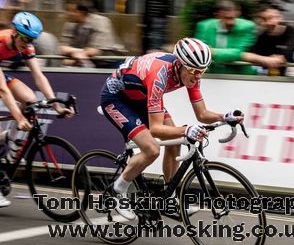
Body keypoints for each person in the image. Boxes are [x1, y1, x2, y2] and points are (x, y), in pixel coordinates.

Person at [100, 37, 244, 221]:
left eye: (202, 71)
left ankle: (169, 198)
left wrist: (225, 116)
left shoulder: (192, 72)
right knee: (151, 149)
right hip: (116, 98)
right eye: (193, 71)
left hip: (141, 95)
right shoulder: (159, 75)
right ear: (180, 65)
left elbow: (202, 114)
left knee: (174, 145)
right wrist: (186, 130)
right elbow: (156, 129)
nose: (198, 76)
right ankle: (117, 190)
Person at [0, 12, 74, 207]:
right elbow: (2, 89)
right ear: (14, 32)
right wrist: (19, 117)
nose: (28, 43)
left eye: (32, 40)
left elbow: (39, 76)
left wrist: (56, 105)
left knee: (30, 98)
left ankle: (12, 139)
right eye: (26, 38)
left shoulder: (25, 45)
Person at [194, 0, 257, 75]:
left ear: (237, 13)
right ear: (218, 15)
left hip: (239, 75)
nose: (230, 22)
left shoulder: (247, 26)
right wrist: (207, 52)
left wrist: (212, 52)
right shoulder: (205, 26)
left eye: (232, 18)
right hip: (212, 75)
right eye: (227, 18)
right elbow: (200, 52)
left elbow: (237, 53)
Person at [59, 1, 127, 67]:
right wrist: (78, 52)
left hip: (111, 61)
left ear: (82, 12)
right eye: (66, 10)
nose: (67, 13)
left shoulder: (100, 21)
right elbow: (62, 48)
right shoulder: (69, 25)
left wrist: (76, 53)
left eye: (71, 11)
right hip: (88, 61)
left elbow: (95, 50)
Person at [242, 4, 294, 75]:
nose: (271, 22)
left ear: (281, 18)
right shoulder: (262, 36)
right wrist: (264, 59)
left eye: (275, 17)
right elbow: (251, 55)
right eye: (265, 19)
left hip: (289, 78)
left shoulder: (290, 31)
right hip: (266, 76)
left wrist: (279, 58)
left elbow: (289, 54)